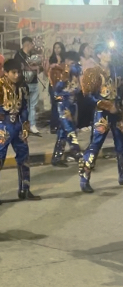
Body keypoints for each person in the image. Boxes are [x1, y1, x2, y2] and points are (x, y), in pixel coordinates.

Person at [0, 59, 40, 205]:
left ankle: (25, 189)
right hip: (3, 125)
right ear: (6, 72)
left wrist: (26, 124)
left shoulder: (23, 86)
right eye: (14, 72)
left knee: (24, 156)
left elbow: (25, 107)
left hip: (18, 125)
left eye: (19, 72)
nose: (17, 75)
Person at [78, 44, 123, 193]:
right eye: (105, 51)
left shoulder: (116, 69)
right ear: (99, 55)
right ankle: (84, 178)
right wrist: (105, 105)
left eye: (110, 51)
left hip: (116, 112)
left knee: (121, 144)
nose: (109, 54)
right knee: (95, 145)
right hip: (101, 114)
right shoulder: (93, 72)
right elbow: (88, 96)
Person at [49, 51, 82, 168]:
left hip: (72, 105)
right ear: (67, 61)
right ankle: (78, 153)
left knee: (63, 132)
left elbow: (79, 89)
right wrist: (64, 78)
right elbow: (56, 92)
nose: (74, 65)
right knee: (70, 130)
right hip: (63, 106)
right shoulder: (58, 71)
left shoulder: (76, 74)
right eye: (72, 63)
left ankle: (56, 158)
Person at [13, 37, 41, 136]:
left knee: (32, 105)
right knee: (23, 106)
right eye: (31, 44)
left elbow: (39, 67)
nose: (33, 46)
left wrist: (39, 66)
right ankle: (22, 125)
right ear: (27, 44)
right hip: (23, 83)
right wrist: (33, 67)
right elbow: (20, 67)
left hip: (34, 82)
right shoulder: (19, 55)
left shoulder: (33, 55)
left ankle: (32, 125)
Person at [77, 43, 98, 131]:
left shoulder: (92, 61)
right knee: (82, 107)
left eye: (90, 48)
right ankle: (81, 125)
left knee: (90, 106)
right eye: (87, 48)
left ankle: (89, 123)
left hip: (91, 88)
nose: (89, 50)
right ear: (82, 50)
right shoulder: (79, 61)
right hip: (81, 87)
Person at [47, 42, 66, 134]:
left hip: (63, 85)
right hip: (53, 85)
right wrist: (56, 63)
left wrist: (59, 63)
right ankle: (54, 126)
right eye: (55, 48)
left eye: (59, 47)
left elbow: (65, 71)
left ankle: (63, 125)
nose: (57, 49)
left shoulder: (65, 60)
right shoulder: (51, 60)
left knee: (63, 105)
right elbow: (47, 72)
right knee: (55, 105)